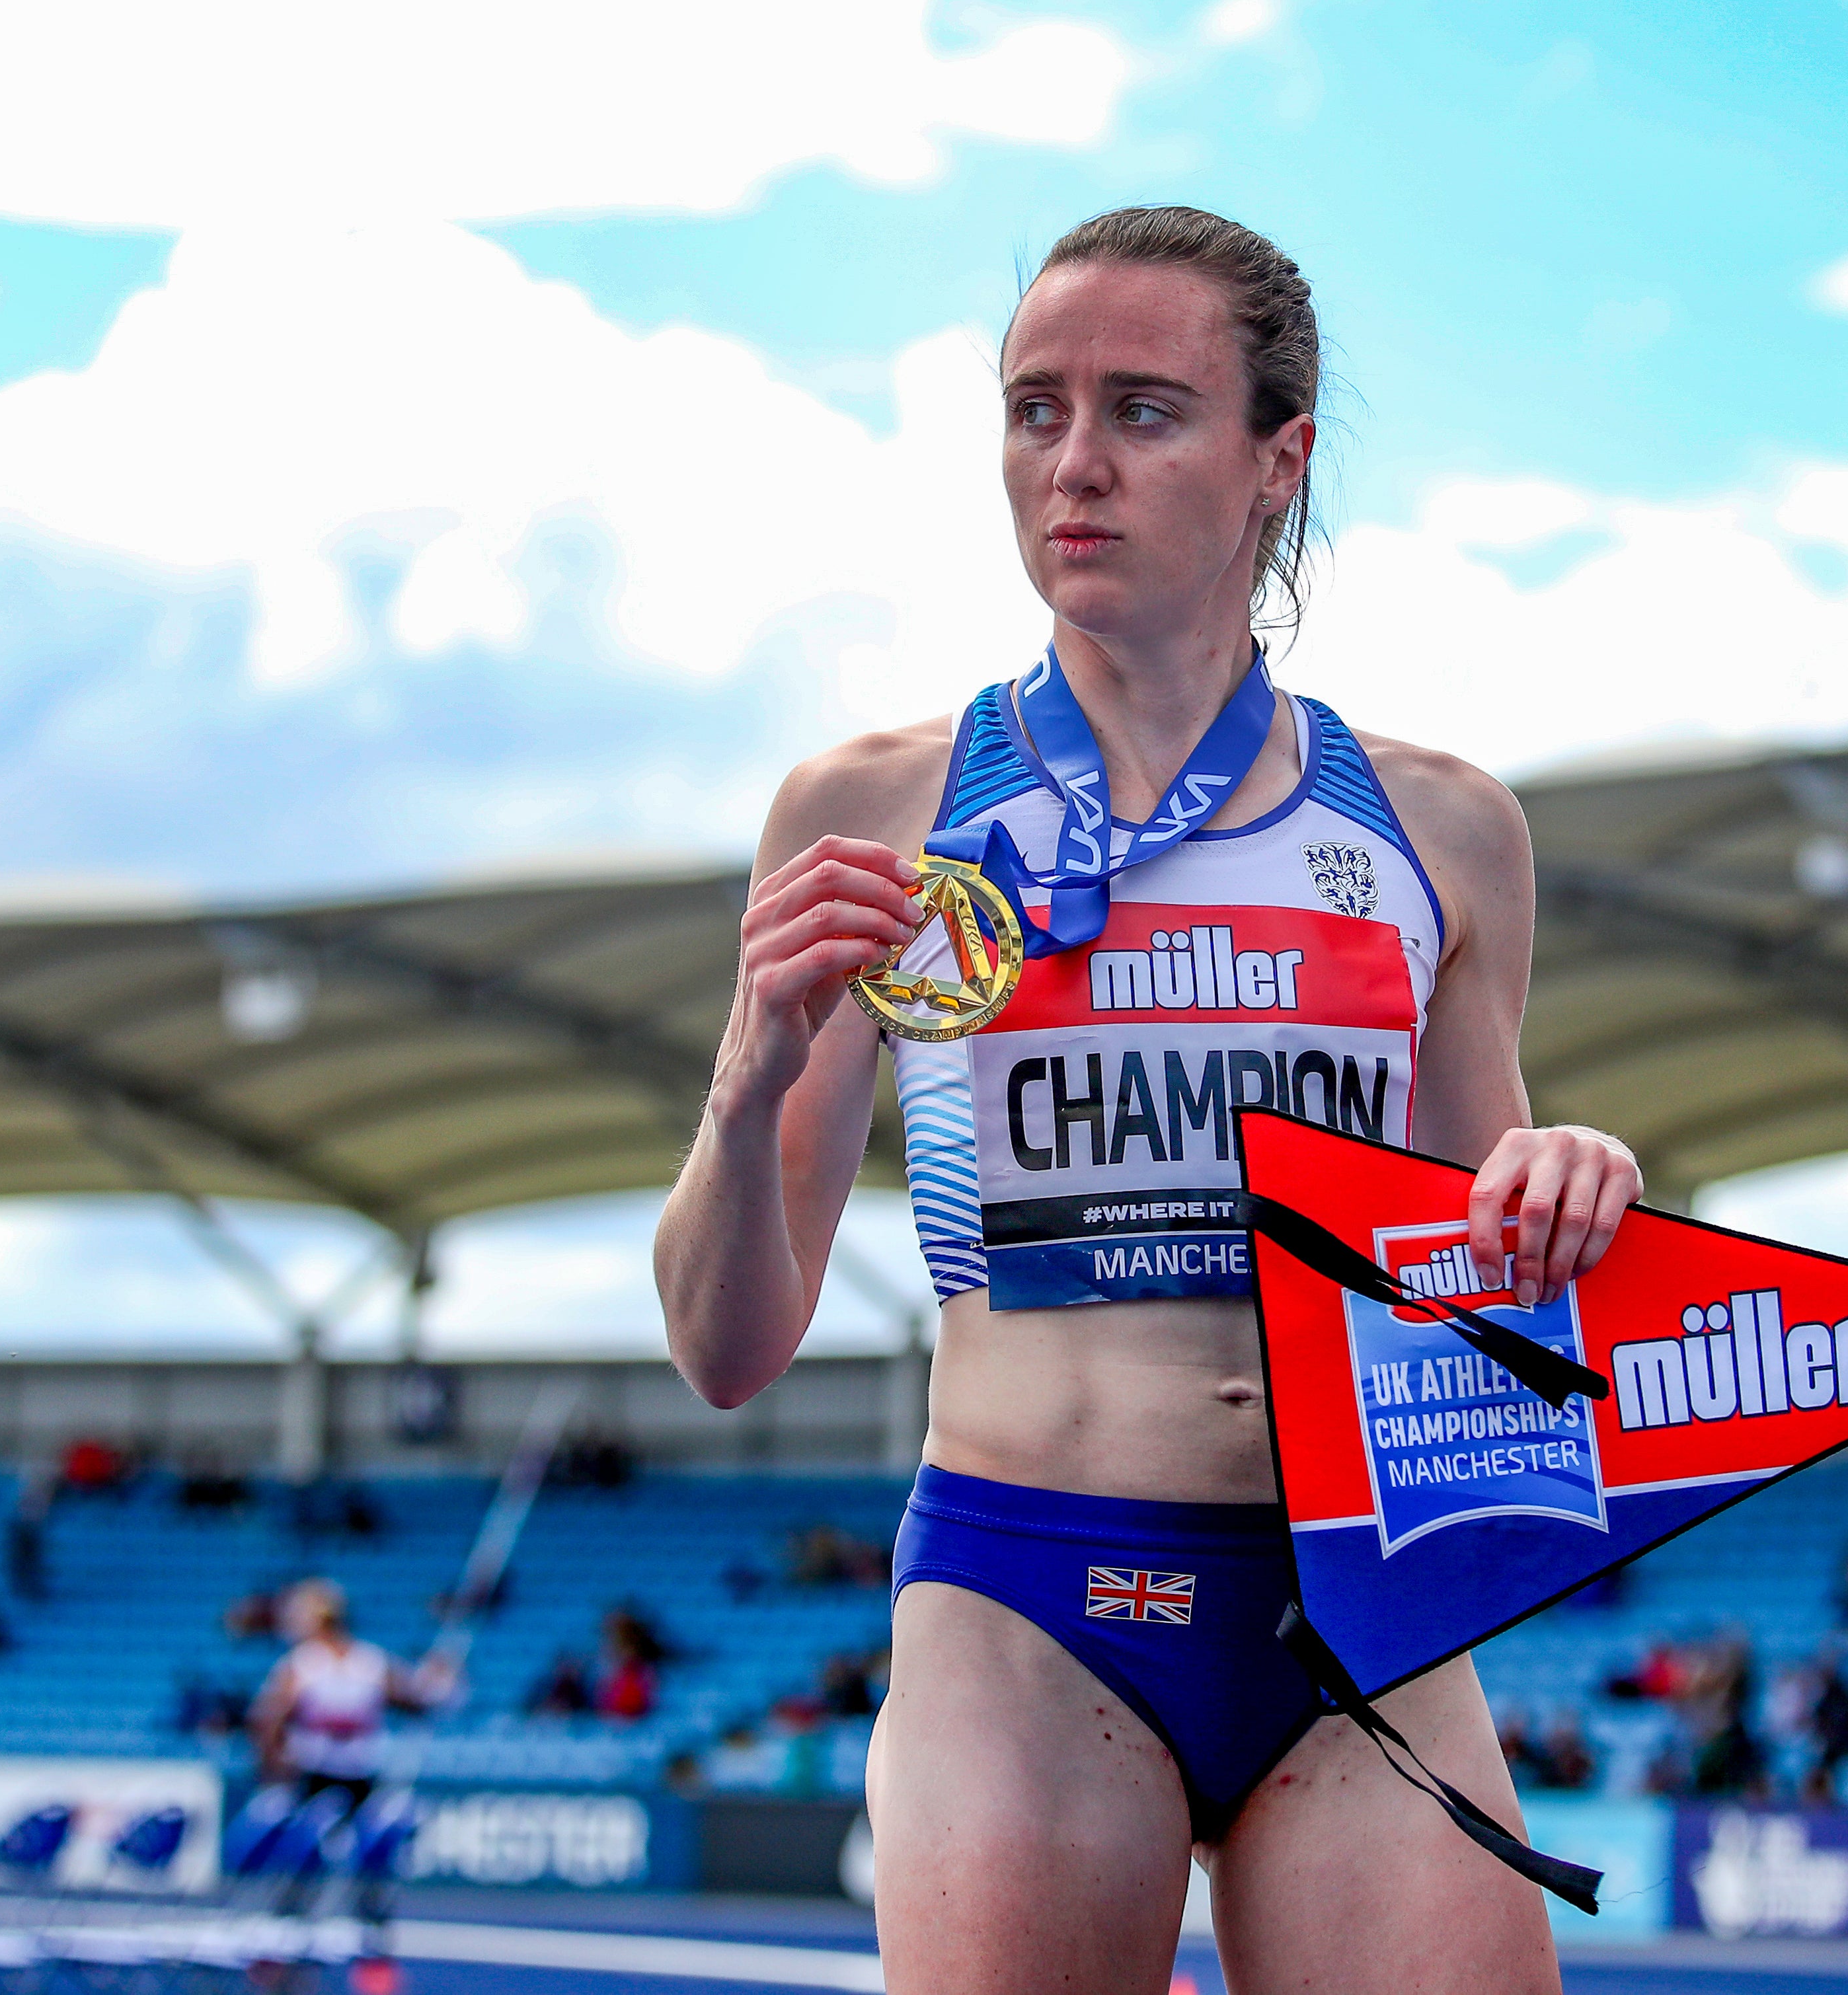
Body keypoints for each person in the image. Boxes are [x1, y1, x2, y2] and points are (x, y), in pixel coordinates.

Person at [656, 206, 1637, 1993]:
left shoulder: (1435, 828)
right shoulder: (875, 809)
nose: (1074, 462)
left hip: (1352, 1611)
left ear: (1281, 458)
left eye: (1143, 409)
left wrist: (1564, 1189)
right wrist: (745, 1083)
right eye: (1034, 409)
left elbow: (1494, 1296)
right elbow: (725, 1348)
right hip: (1022, 1607)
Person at [249, 1579, 455, 1819]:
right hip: (311, 1773)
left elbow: (416, 1701)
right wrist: (277, 1767)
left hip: (358, 1775)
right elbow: (268, 1722)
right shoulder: (307, 1662)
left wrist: (440, 1677)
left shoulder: (360, 1661)